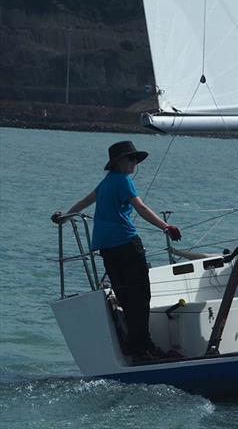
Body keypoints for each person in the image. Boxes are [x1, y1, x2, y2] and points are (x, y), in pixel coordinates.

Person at [51, 140, 182, 363]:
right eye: (131, 159)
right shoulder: (123, 180)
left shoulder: (106, 182)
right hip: (126, 244)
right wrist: (166, 227)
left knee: (126, 296)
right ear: (119, 162)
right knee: (140, 297)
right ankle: (143, 348)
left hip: (106, 247)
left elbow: (85, 201)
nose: (134, 164)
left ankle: (136, 347)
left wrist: (65, 217)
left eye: (135, 160)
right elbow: (141, 208)